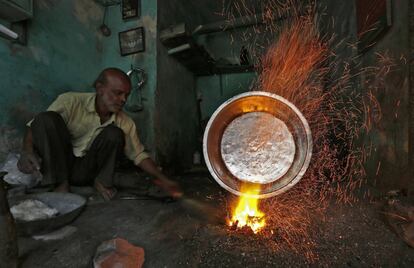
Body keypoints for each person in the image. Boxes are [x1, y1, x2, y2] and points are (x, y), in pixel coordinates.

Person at [17, 67, 181, 200]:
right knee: (46, 118)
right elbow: (36, 126)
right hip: (61, 163)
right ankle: (60, 185)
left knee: (114, 133)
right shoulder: (70, 101)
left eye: (126, 95)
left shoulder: (125, 122)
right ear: (100, 89)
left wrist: (164, 179)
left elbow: (138, 155)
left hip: (87, 171)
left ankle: (101, 182)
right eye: (118, 93)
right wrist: (27, 151)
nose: (123, 99)